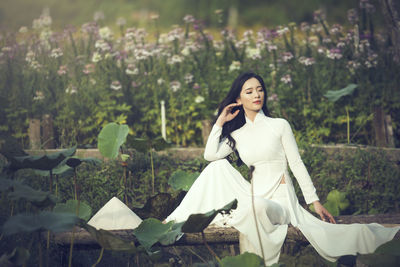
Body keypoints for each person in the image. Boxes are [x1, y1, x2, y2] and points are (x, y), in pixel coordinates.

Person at [165, 72, 400, 265]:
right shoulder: (237, 133)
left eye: (259, 89)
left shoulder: (279, 126)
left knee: (255, 208)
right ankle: (176, 221)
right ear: (239, 99)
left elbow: (296, 163)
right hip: (254, 195)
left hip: (280, 203)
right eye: (249, 91)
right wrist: (220, 123)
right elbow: (209, 156)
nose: (257, 94)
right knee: (216, 168)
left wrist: (314, 201)